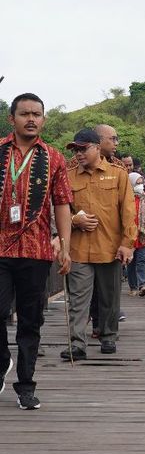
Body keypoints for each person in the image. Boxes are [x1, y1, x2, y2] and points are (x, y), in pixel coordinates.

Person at [0, 93, 73, 410]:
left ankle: (26, 385)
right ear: (11, 118)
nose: (31, 119)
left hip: (37, 250)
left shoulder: (54, 157)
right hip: (0, 248)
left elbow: (62, 204)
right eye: (24, 113)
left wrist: (66, 246)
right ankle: (3, 361)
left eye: (37, 114)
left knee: (31, 321)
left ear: (43, 119)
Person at [61, 128, 136, 360]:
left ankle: (108, 337)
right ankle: (77, 343)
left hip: (110, 248)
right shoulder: (68, 175)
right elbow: (60, 210)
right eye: (75, 150)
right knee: (78, 299)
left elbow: (128, 211)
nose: (79, 154)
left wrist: (127, 243)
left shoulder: (118, 174)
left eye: (83, 149)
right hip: (79, 249)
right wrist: (74, 220)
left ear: (96, 147)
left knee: (110, 298)